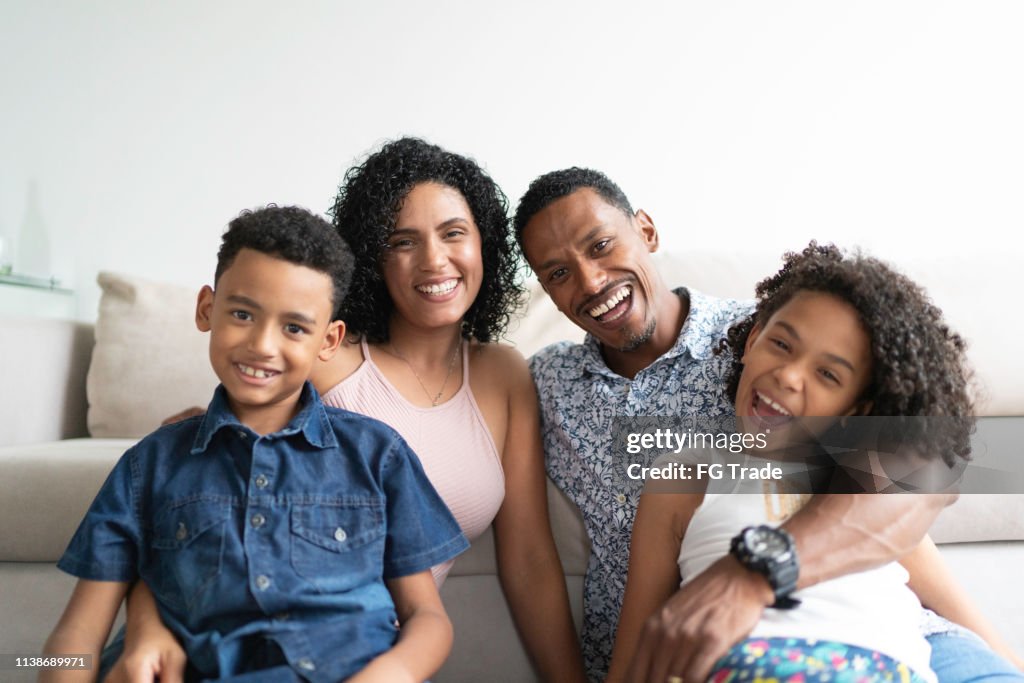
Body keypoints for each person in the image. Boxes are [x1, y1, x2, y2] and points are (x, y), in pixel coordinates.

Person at [513, 168, 1019, 683]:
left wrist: (755, 573)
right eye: (557, 273)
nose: (591, 280)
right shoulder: (547, 382)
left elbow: (917, 473)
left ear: (646, 230)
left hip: (895, 632)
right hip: (707, 649)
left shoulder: (780, 334)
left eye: (600, 245)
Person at [113, 139, 586, 682]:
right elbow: (192, 499)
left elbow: (529, 561)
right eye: (402, 241)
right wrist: (148, 628)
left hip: (366, 655)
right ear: (372, 259)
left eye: (453, 233)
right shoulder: (326, 358)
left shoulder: (504, 375)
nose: (434, 260)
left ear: (485, 244)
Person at [42, 206, 469, 682]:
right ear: (207, 309)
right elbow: (71, 643)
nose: (263, 345)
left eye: (294, 328)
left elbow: (429, 620)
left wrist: (390, 675)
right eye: (242, 313)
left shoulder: (377, 454)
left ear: (329, 340)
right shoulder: (149, 466)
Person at [608, 243, 1022, 683]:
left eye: (828, 374)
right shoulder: (688, 472)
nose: (789, 375)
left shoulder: (868, 488)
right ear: (753, 339)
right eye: (782, 344)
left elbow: (969, 624)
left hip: (886, 665)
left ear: (857, 409)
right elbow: (637, 651)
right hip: (754, 665)